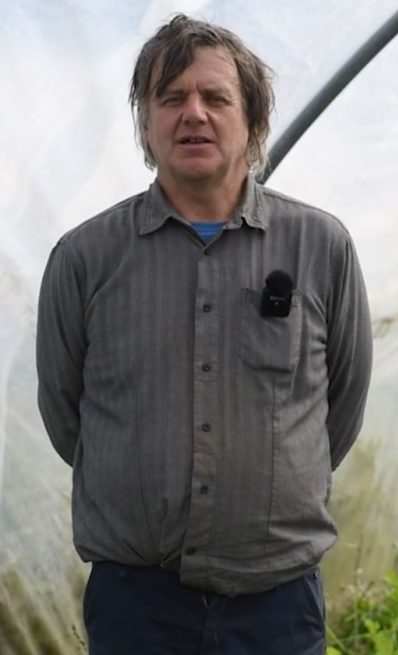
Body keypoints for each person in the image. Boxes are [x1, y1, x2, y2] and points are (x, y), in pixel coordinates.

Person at [35, 14, 373, 654]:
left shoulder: (320, 247)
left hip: (278, 606)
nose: (194, 113)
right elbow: (66, 415)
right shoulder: (85, 258)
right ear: (145, 123)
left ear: (253, 120)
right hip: (137, 605)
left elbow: (341, 405)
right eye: (171, 98)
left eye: (216, 97)